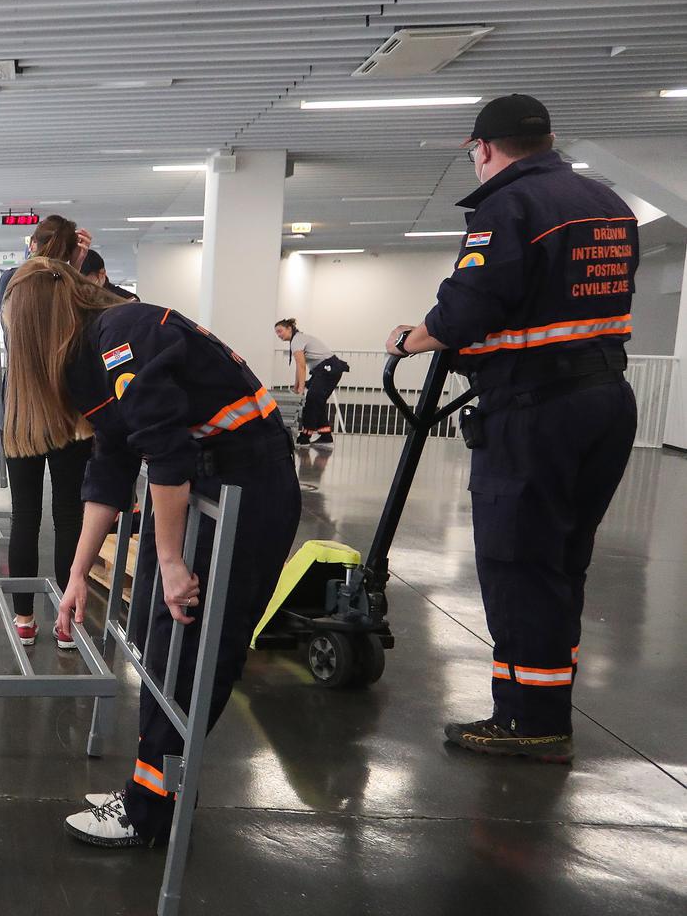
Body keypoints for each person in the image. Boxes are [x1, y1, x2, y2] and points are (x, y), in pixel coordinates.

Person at [2, 258, 300, 848]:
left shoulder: (122, 336)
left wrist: (168, 562)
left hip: (247, 488)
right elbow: (112, 465)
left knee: (190, 653)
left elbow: (166, 455)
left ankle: (149, 810)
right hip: (216, 486)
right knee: (164, 645)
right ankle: (152, 792)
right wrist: (77, 574)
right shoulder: (92, 355)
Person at [384, 93, 638, 764]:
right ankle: (544, 706)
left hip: (537, 409)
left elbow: (468, 308)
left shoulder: (508, 205)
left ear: (486, 148)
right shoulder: (609, 203)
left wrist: (412, 339)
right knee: (562, 560)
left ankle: (530, 723)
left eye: (474, 151)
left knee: (518, 561)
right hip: (606, 397)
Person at [0, 216, 95, 645]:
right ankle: (66, 622)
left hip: (22, 412)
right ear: (74, 249)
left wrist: (48, 254)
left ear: (32, 245)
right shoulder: (77, 286)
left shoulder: (11, 284)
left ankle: (23, 619)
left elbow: (28, 276)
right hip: (70, 413)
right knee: (69, 515)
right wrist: (76, 263)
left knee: (25, 516)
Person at [273, 318, 348, 444]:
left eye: (280, 331)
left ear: (289, 329)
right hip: (323, 370)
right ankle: (325, 435)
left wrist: (301, 389)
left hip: (328, 369)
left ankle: (305, 436)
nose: (278, 335)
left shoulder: (296, 341)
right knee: (317, 401)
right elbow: (299, 367)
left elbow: (302, 367)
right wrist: (296, 387)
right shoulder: (297, 339)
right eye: (277, 333)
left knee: (312, 400)